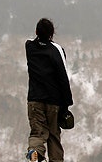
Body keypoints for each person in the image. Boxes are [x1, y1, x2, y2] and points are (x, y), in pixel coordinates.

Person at [25, 18, 73, 162]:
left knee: (37, 133)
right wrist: (66, 105)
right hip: (54, 102)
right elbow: (63, 79)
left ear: (36, 32)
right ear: (52, 34)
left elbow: (33, 41)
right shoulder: (57, 50)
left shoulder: (29, 47)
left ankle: (35, 152)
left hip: (34, 100)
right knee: (53, 136)